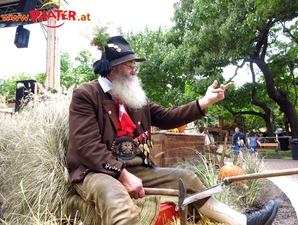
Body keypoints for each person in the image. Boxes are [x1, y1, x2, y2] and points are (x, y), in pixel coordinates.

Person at [66, 35, 279, 225]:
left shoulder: (133, 96)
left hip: (136, 168)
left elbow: (167, 117)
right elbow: (86, 145)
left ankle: (242, 222)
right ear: (113, 68)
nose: (135, 71)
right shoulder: (86, 95)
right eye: (130, 67)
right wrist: (121, 174)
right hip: (97, 171)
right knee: (114, 198)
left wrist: (204, 102)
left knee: (186, 177)